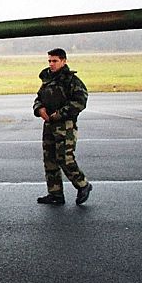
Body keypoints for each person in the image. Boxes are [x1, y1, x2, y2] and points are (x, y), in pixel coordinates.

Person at [33, 48, 93, 205]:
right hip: (49, 124)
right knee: (50, 160)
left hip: (65, 125)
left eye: (55, 61)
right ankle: (55, 193)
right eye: (49, 61)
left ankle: (83, 184)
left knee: (65, 158)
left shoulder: (71, 81)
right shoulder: (47, 79)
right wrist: (39, 109)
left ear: (64, 61)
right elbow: (39, 98)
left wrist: (60, 114)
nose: (51, 64)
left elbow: (80, 101)